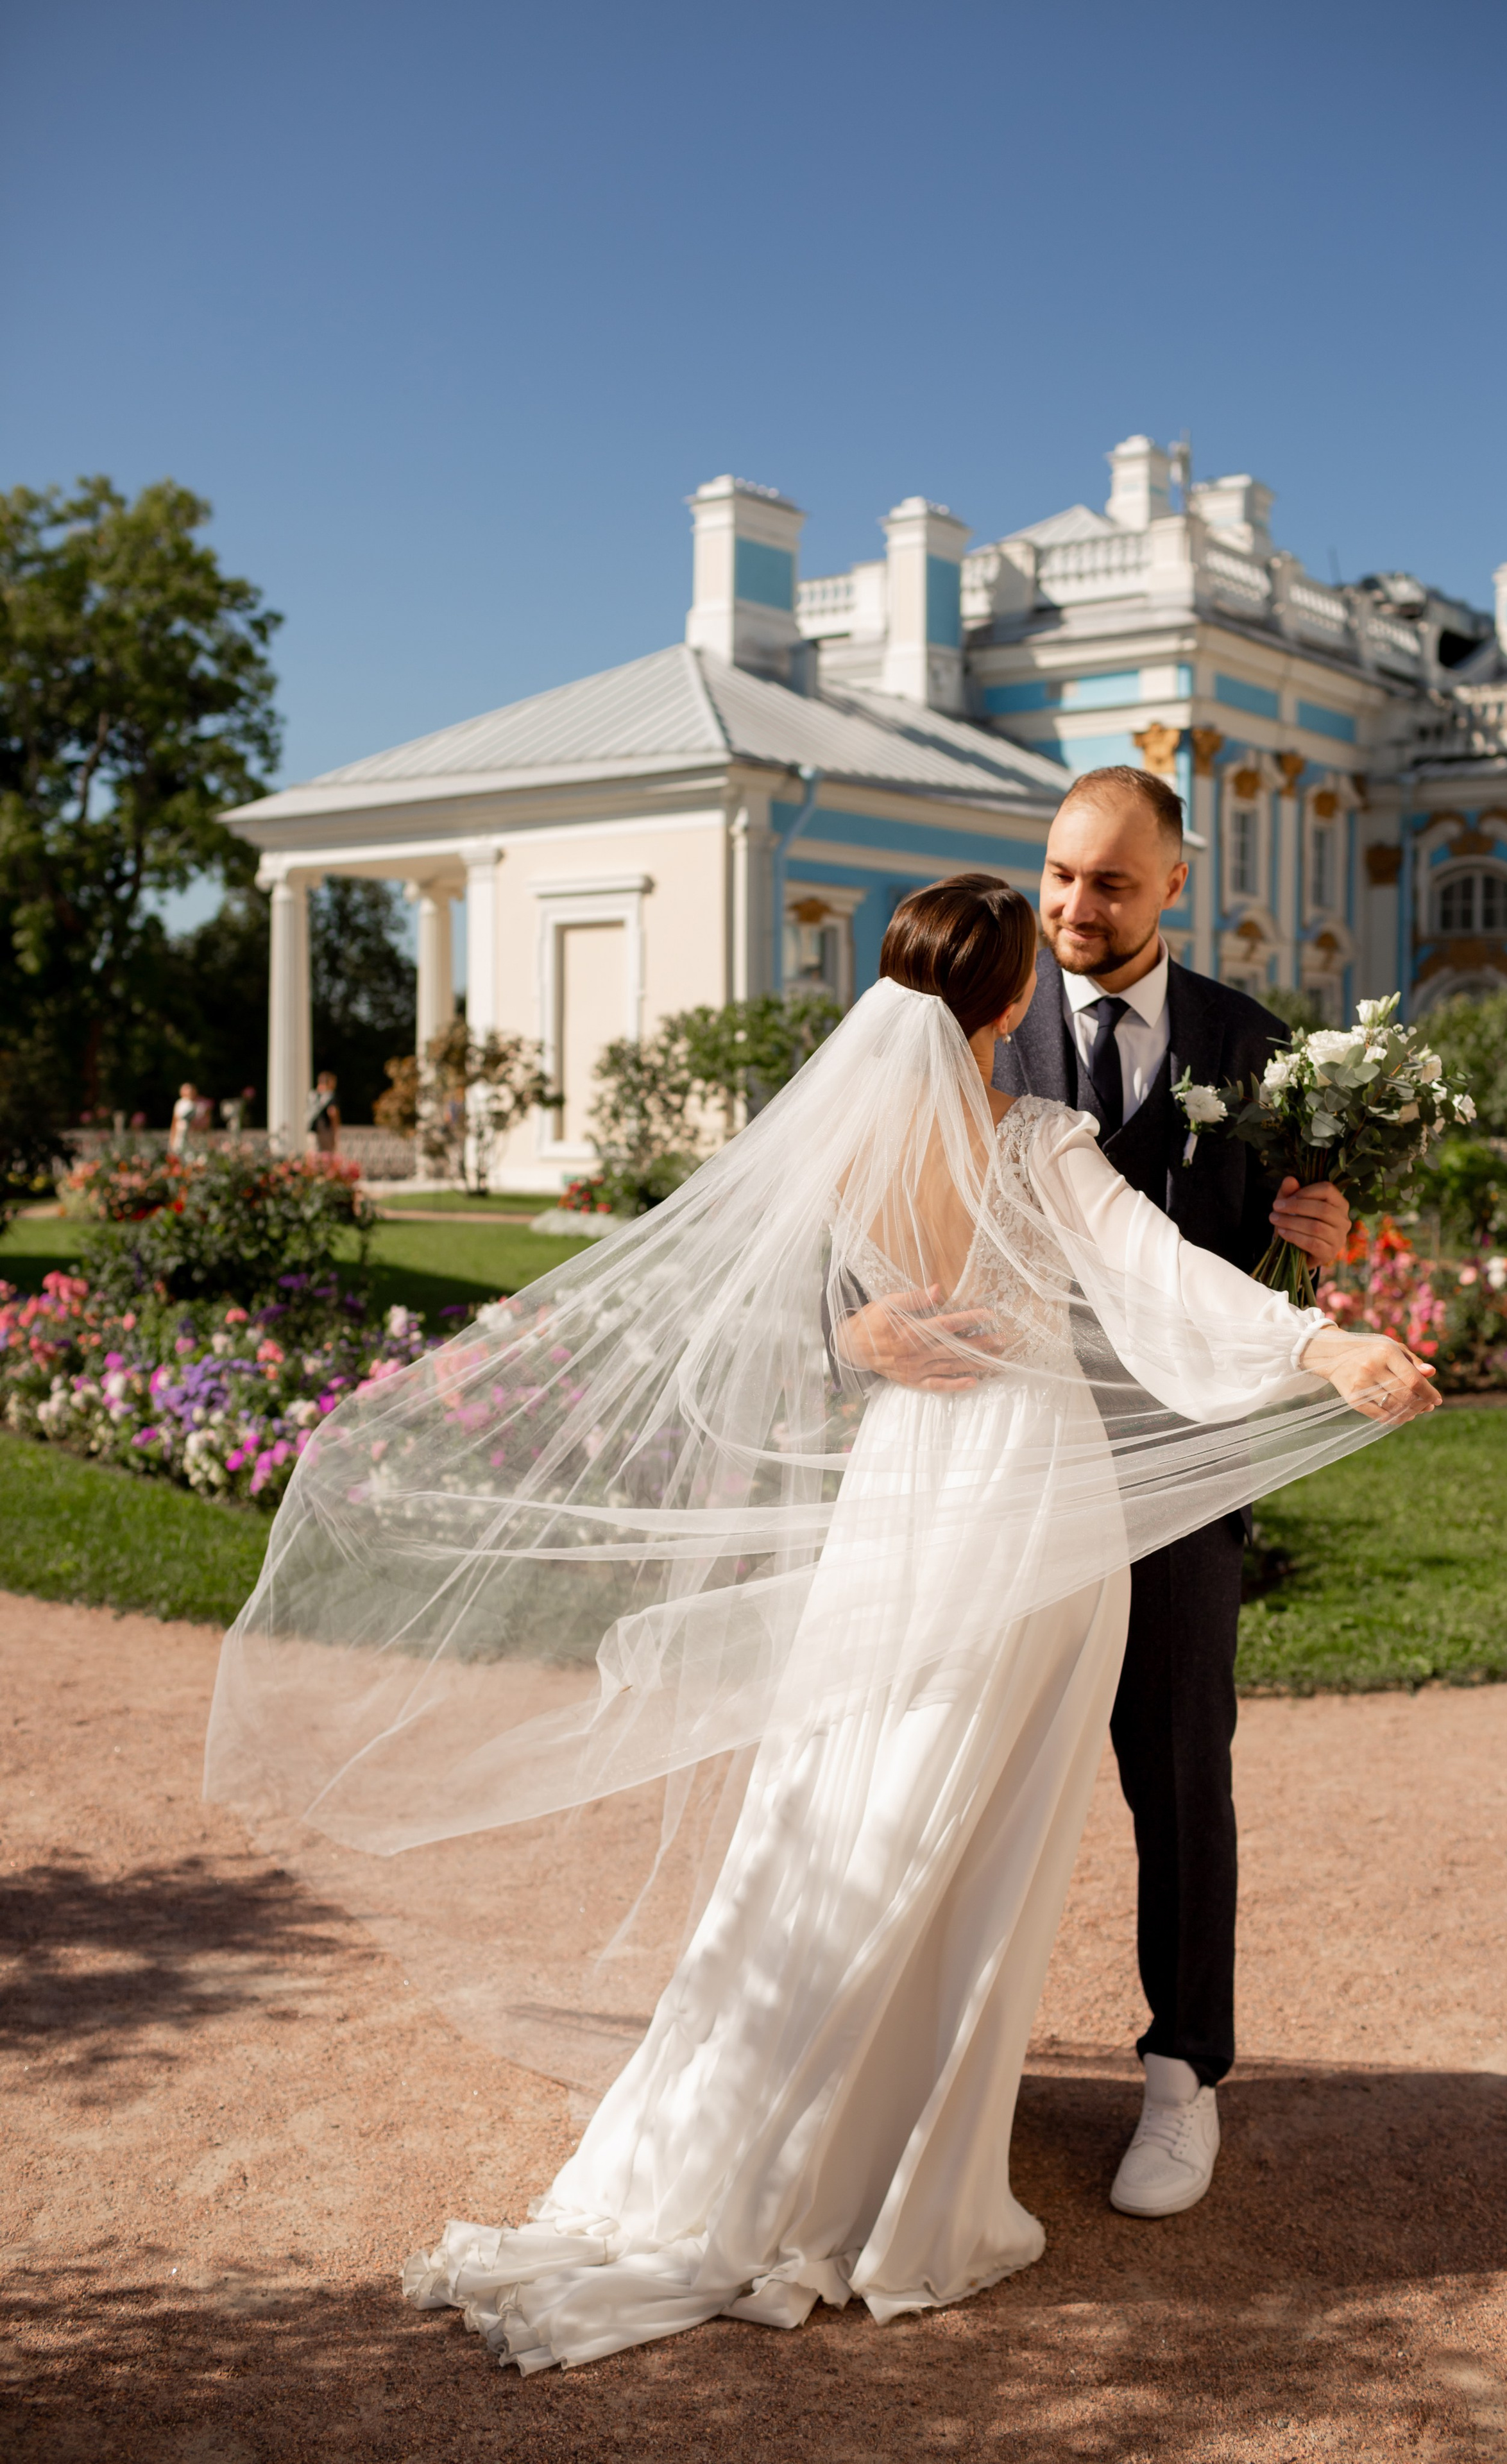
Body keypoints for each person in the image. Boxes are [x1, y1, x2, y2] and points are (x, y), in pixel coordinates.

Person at [205, 876, 1435, 2372]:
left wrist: (867, 1330)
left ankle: (748, 2123)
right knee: (964, 1835)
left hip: (900, 1496)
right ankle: (895, 2165)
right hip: (1027, 1503)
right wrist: (1321, 1339)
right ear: (1004, 1008)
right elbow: (1153, 1273)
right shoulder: (1037, 1140)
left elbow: (783, 1295)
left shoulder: (852, 1138)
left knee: (843, 1798)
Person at [835, 770, 1350, 2223]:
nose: (1072, 906)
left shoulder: (1256, 1046)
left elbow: (1238, 1256)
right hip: (990, 1477)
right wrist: (852, 1331)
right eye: (1058, 873)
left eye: (1109, 883)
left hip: (1175, 1479)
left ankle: (1184, 2073)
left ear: (1172, 884)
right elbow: (838, 1225)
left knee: (1177, 1776)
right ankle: (918, 2069)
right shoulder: (960, 1014)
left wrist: (1328, 1233)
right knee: (938, 1761)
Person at [305, 1071, 341, 1155]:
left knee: (314, 1154)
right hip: (325, 1129)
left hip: (311, 1128)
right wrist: (335, 1131)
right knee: (327, 1155)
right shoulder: (329, 1096)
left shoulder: (312, 1095)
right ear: (329, 1082)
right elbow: (332, 1112)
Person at [168, 1081, 201, 1155]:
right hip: (181, 1133)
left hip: (192, 1134)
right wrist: (172, 1136)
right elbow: (175, 1120)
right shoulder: (180, 1103)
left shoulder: (195, 1104)